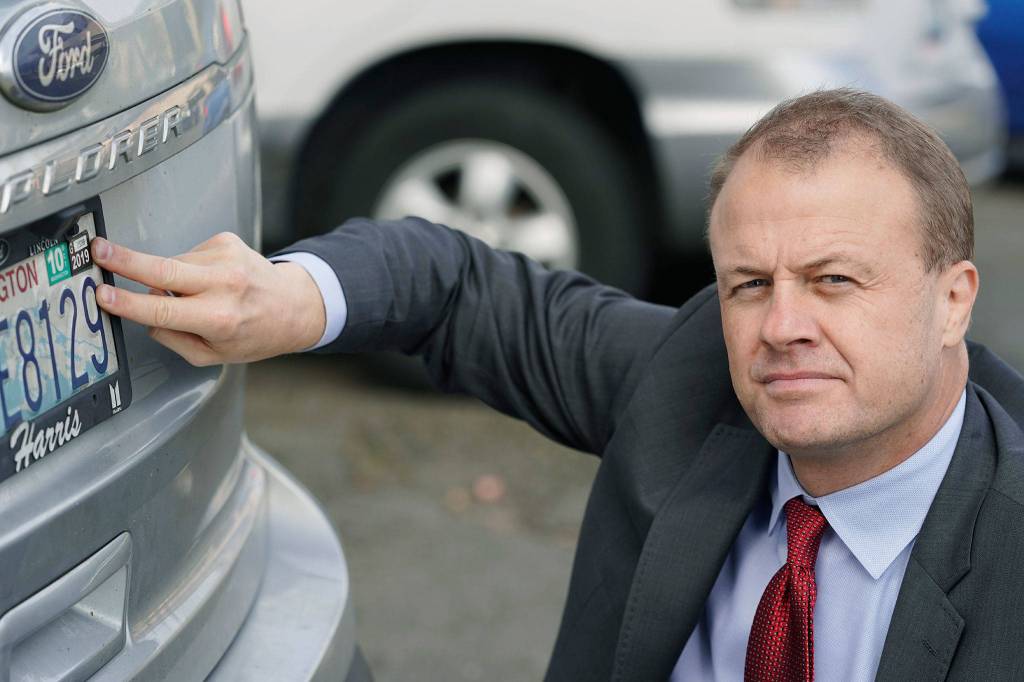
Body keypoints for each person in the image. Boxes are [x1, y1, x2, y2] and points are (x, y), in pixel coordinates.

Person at [88, 89, 1024, 681]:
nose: (782, 326)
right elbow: (453, 285)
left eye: (834, 281)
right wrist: (287, 294)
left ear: (953, 302)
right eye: (748, 283)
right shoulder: (695, 380)